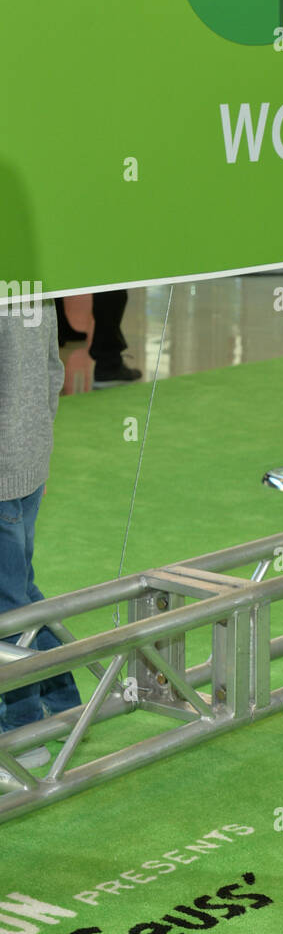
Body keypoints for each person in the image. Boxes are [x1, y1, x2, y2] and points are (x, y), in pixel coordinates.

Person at [0, 296, 81, 769]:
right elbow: (52, 369)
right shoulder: (38, 284)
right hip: (28, 461)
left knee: (8, 605)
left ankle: (23, 729)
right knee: (19, 591)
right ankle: (64, 699)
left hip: (7, 470)